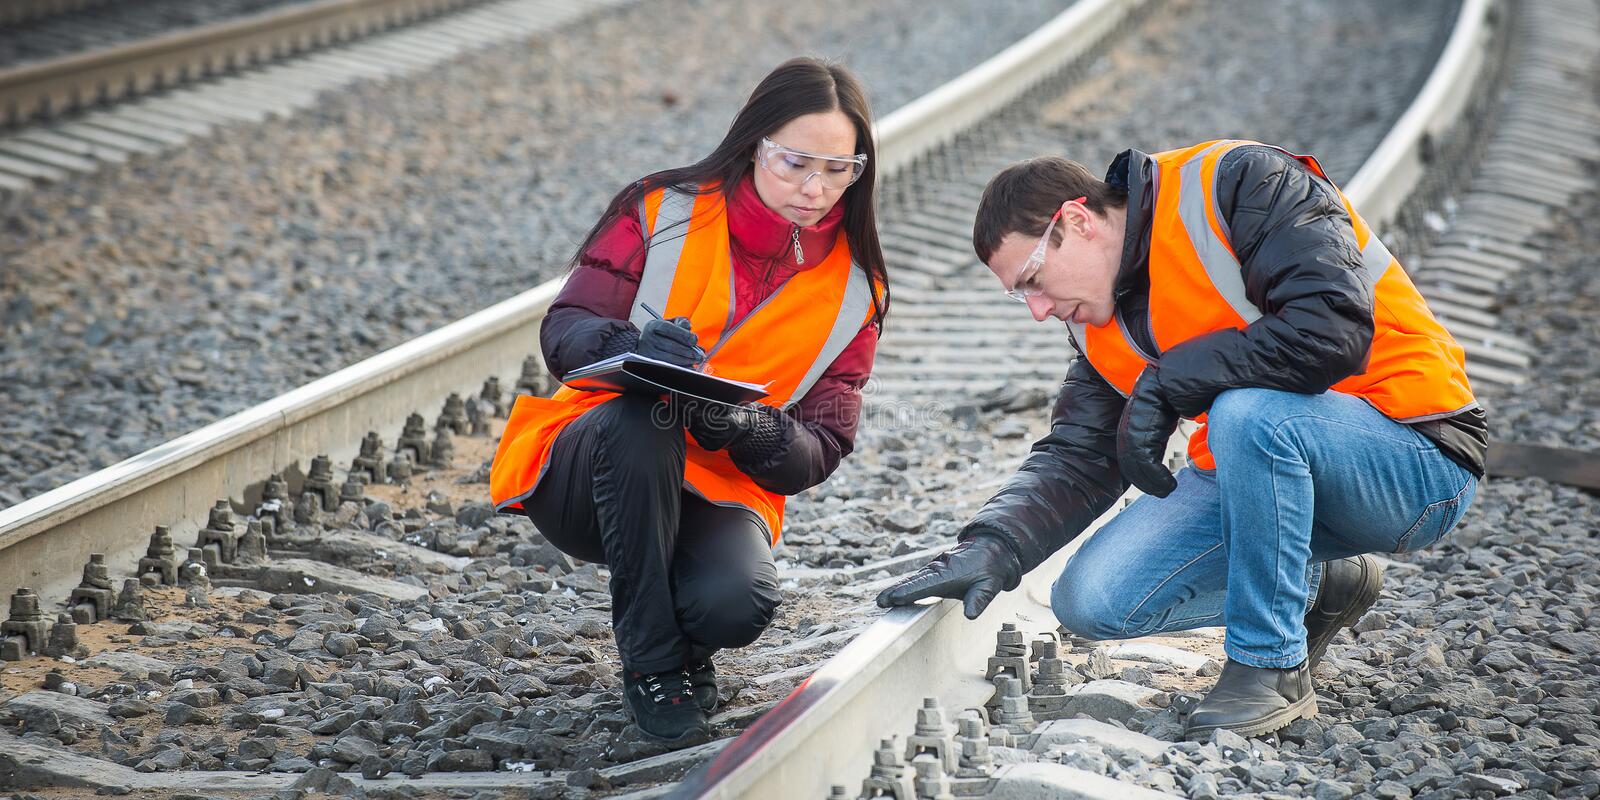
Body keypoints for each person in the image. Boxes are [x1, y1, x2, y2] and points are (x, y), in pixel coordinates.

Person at [877, 139, 1485, 740]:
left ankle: (1271, 670)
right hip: (1269, 475)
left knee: (1247, 415)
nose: (1037, 309)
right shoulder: (1096, 322)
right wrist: (994, 547)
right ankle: (1319, 584)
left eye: (1033, 279)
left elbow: (1329, 328)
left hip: (1415, 455)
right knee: (1091, 600)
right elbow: (1080, 455)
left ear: (1078, 220)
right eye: (1020, 294)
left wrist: (1173, 381)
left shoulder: (1238, 183)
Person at [490, 57, 888, 747]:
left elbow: (821, 446)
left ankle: (686, 641)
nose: (815, 188)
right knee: (646, 415)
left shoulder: (860, 288)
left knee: (736, 604)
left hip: (718, 487)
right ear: (753, 143)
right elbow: (566, 330)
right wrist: (634, 345)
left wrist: (745, 427)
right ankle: (651, 661)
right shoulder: (660, 209)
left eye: (838, 169)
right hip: (591, 466)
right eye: (795, 163)